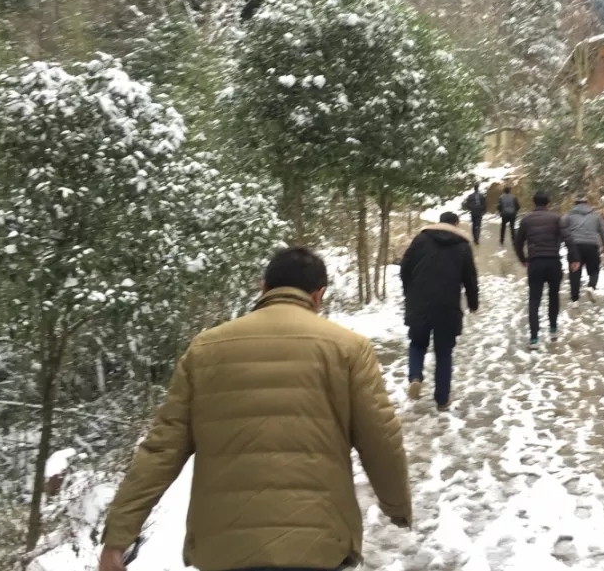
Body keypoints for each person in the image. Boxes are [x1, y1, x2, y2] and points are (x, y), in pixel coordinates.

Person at [98, 248, 412, 571]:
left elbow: (161, 449)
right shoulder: (349, 348)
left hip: (225, 547)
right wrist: (396, 506)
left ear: (263, 288)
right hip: (318, 543)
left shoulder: (205, 349)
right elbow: (381, 437)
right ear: (319, 295)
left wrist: (118, 537)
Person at [400, 211, 479, 412]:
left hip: (419, 302)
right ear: (456, 224)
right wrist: (473, 302)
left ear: (439, 222)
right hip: (447, 306)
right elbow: (470, 277)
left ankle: (415, 376)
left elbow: (405, 267)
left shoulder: (421, 239)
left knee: (417, 343)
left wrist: (409, 291)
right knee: (444, 352)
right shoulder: (462, 245)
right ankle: (442, 399)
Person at [514, 191, 581, 348]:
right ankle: (553, 330)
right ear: (548, 204)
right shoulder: (556, 218)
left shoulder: (526, 220)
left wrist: (523, 259)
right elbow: (568, 238)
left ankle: (534, 339)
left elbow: (518, 243)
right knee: (553, 296)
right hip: (553, 262)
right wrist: (574, 258)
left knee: (534, 299)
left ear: (534, 203)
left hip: (535, 262)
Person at [562, 193, 604, 303]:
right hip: (592, 246)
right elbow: (603, 232)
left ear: (575, 203)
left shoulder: (569, 216)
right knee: (594, 269)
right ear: (587, 203)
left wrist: (562, 243)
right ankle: (591, 286)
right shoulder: (596, 216)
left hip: (575, 246)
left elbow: (561, 229)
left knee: (575, 272)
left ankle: (575, 300)